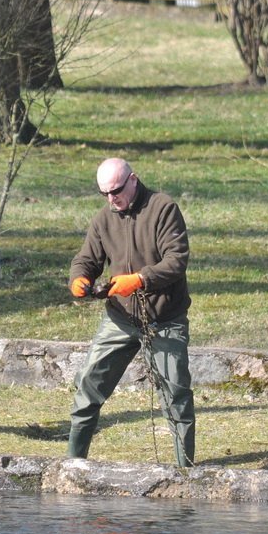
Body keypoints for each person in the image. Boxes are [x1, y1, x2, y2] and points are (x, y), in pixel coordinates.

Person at [67, 158, 195, 467]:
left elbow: (176, 260)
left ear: (133, 180)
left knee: (175, 396)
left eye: (116, 191)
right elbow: (86, 259)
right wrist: (78, 279)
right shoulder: (103, 219)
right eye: (104, 194)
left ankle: (185, 470)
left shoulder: (163, 208)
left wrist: (140, 280)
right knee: (88, 387)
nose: (112, 199)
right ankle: (73, 464)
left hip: (165, 318)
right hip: (120, 318)